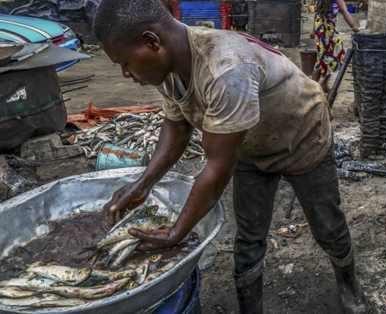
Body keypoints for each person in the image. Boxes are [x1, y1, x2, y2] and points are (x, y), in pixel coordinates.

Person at [92, 0, 367, 313]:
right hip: (248, 144)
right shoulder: (169, 66)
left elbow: (216, 167)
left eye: (124, 63)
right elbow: (177, 128)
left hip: (301, 136)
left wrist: (176, 232)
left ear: (152, 42)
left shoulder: (226, 69)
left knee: (327, 225)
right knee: (249, 237)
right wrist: (143, 184)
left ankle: (348, 282)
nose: (126, 73)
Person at [312, 0, 359, 92]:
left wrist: (314, 30)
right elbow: (345, 11)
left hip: (322, 30)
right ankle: (313, 87)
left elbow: (317, 13)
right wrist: (354, 27)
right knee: (328, 58)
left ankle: (323, 85)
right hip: (326, 31)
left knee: (325, 58)